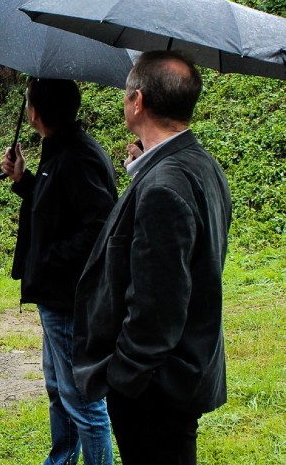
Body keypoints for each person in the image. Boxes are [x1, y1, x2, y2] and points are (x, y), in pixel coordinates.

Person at [73, 51, 232, 464]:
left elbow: (157, 304)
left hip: (156, 387)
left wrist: (124, 375)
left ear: (138, 101)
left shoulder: (164, 184)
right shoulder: (199, 164)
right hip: (182, 372)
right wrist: (141, 171)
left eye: (126, 96)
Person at [1, 77, 116, 465]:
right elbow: (57, 207)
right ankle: (63, 459)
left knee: (82, 399)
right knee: (59, 389)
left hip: (69, 297)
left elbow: (100, 227)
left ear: (34, 112)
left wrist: (49, 258)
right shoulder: (58, 149)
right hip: (53, 295)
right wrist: (23, 180)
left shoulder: (79, 155)